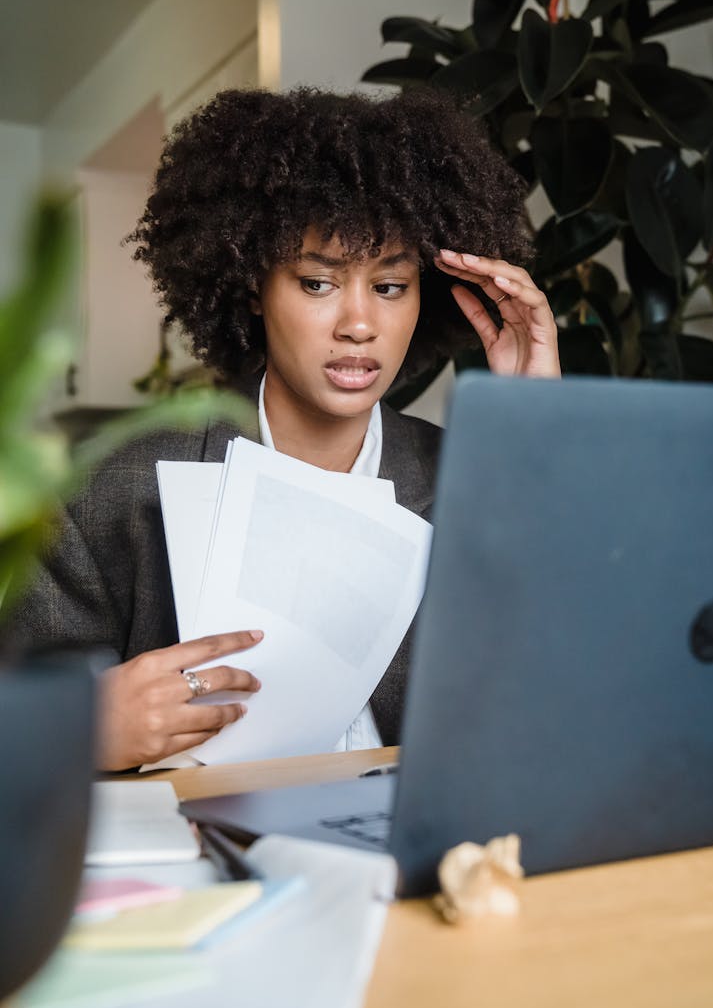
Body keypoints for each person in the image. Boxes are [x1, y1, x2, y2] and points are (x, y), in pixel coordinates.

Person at [4, 87, 560, 770]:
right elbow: (17, 721)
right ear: (251, 287)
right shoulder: (113, 490)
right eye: (318, 283)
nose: (360, 324)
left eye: (390, 287)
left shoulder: (477, 479)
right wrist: (79, 728)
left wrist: (538, 435)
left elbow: (559, 690)